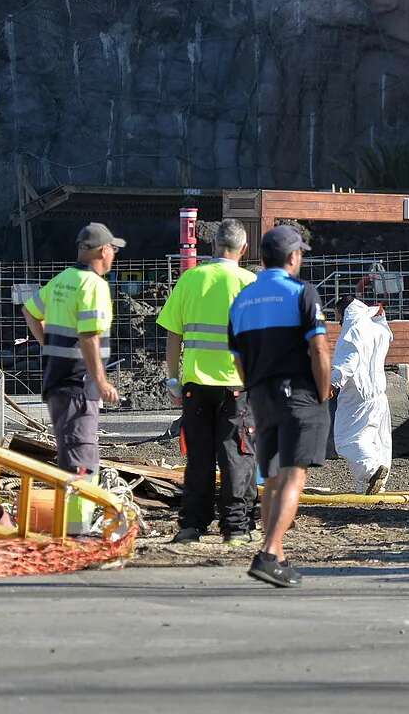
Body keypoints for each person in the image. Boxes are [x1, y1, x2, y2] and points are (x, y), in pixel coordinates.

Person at [228, 225, 332, 588]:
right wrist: (323, 393)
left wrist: (253, 388)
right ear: (292, 257)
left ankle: (278, 556)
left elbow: (238, 358)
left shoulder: (242, 299)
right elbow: (318, 349)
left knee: (271, 477)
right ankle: (270, 552)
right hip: (299, 393)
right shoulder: (301, 293)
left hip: (260, 396)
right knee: (293, 475)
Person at [157, 219, 258, 547]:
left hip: (195, 385)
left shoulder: (190, 279)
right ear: (243, 249)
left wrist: (173, 378)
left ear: (213, 246)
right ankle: (236, 528)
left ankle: (192, 526)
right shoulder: (249, 283)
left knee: (198, 457)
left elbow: (174, 334)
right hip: (236, 387)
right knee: (236, 456)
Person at [22, 223, 123, 532]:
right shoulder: (93, 286)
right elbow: (90, 337)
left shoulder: (63, 280)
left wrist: (48, 345)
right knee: (82, 459)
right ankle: (76, 532)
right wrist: (102, 381)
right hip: (78, 384)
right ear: (104, 251)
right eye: (113, 250)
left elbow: (29, 311)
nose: (114, 256)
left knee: (70, 455)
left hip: (56, 380)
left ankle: (70, 526)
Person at [331, 280, 393, 494]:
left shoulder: (354, 329)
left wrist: (333, 382)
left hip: (357, 392)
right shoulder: (376, 329)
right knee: (374, 438)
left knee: (347, 438)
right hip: (378, 393)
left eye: (337, 315)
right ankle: (373, 485)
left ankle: (371, 471)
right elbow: (386, 333)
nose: (337, 320)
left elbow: (349, 358)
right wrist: (379, 314)